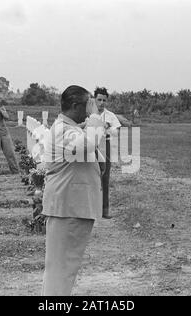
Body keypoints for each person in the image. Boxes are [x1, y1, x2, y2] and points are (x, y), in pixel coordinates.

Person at [41, 85, 107, 296]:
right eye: (88, 104)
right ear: (76, 105)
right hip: (67, 208)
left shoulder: (72, 128)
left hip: (71, 207)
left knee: (64, 269)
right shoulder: (62, 129)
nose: (90, 109)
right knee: (61, 270)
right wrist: (96, 117)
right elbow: (87, 144)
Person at [93, 87, 121, 219]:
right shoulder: (89, 113)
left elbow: (116, 131)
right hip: (90, 145)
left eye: (104, 100)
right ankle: (91, 209)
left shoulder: (110, 116)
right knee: (91, 176)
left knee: (105, 177)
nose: (101, 102)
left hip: (105, 144)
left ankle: (105, 209)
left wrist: (107, 127)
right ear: (94, 99)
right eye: (99, 99)